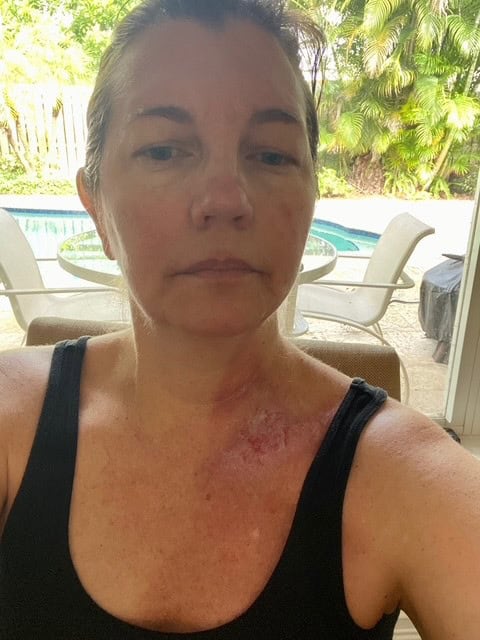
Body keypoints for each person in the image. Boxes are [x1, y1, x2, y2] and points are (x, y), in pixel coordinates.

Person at [1, 0, 479, 637]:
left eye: (272, 155)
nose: (225, 200)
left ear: (312, 195)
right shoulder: (10, 424)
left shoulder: (405, 479)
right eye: (166, 150)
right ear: (95, 205)